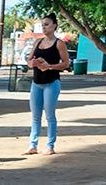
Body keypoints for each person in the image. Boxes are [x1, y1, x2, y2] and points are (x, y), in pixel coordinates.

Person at [25, 14, 70, 155]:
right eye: (42, 24)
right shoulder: (38, 42)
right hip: (36, 83)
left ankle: (50, 146)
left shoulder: (59, 43)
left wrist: (49, 66)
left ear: (54, 25)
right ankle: (33, 145)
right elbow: (29, 60)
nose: (44, 27)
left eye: (47, 24)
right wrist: (32, 63)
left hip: (52, 83)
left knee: (50, 115)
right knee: (35, 116)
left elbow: (66, 64)